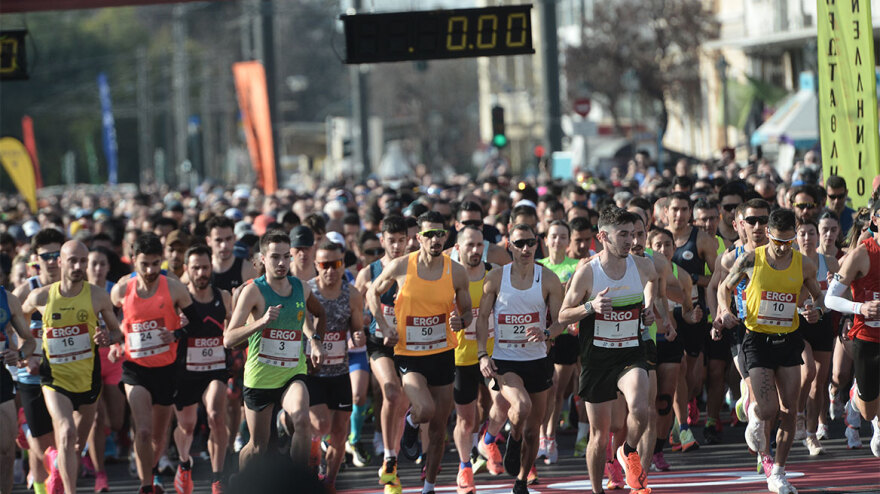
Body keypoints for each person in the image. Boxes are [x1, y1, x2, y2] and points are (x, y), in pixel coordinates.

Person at [717, 208, 826, 494]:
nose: (782, 248)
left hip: (788, 338)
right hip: (757, 339)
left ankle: (777, 472)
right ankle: (754, 412)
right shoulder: (751, 258)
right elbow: (724, 287)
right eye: (778, 242)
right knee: (768, 409)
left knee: (790, 411)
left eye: (788, 242)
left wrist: (815, 310)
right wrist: (725, 311)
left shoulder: (803, 264)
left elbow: (818, 296)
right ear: (768, 235)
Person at [559, 207, 666, 494]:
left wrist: (648, 307)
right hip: (597, 359)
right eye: (623, 235)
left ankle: (628, 450)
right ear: (603, 236)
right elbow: (562, 315)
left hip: (630, 353)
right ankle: (597, 490)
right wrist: (589, 307)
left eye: (632, 234)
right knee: (599, 434)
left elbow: (654, 278)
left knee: (641, 407)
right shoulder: (587, 273)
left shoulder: (641, 266)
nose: (630, 241)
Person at [368, 211, 472, 494]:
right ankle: (411, 423)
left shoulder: (456, 271)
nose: (435, 239)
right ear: (419, 238)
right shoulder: (403, 266)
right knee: (424, 409)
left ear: (446, 236)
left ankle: (429, 487)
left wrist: (461, 321)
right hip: (409, 355)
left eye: (439, 234)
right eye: (429, 234)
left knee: (439, 428)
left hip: (442, 353)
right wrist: (383, 325)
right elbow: (372, 293)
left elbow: (468, 314)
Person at [23, 241, 123, 494]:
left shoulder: (97, 296)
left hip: (88, 379)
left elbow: (116, 332)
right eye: (72, 261)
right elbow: (20, 320)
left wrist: (107, 339)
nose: (78, 266)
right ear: (60, 262)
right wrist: (30, 352)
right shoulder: (41, 297)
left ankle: (56, 465)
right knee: (66, 432)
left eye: (83, 261)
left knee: (76, 444)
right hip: (54, 379)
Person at [225, 230, 325, 471]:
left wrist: (315, 341)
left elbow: (320, 314)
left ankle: (296, 483)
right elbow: (229, 338)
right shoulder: (253, 291)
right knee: (258, 447)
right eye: (274, 257)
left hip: (292, 372)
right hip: (260, 378)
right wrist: (260, 322)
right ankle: (241, 485)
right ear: (262, 259)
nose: (281, 263)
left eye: (285, 257)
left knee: (301, 421)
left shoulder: (301, 287)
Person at [476, 223, 564, 494]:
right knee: (521, 406)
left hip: (537, 360)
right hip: (506, 360)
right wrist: (482, 354)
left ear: (537, 244)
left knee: (533, 430)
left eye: (530, 243)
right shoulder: (495, 278)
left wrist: (547, 333)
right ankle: (512, 437)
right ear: (509, 246)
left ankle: (522, 479)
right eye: (519, 243)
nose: (525, 248)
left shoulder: (548, 279)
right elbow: (481, 318)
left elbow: (560, 321)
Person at [111, 233, 198, 494]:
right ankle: (146, 486)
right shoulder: (121, 290)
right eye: (144, 264)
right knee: (144, 430)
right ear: (134, 260)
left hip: (166, 369)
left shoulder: (173, 287)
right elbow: (110, 319)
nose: (150, 270)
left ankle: (151, 471)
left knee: (159, 438)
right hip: (135, 369)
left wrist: (176, 334)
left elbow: (197, 321)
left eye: (155, 264)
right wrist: (116, 343)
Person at [354, 215, 410, 494]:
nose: (397, 246)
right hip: (379, 342)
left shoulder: (416, 268)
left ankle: (393, 459)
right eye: (392, 241)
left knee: (402, 407)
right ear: (382, 240)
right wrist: (358, 324)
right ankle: (389, 458)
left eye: (402, 240)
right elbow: (354, 305)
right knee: (390, 391)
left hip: (411, 344)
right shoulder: (369, 272)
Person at [450, 226, 507, 491]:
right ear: (458, 247)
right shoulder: (449, 277)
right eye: (469, 245)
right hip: (462, 357)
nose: (475, 251)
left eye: (479, 245)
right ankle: (464, 468)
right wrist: (450, 321)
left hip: (494, 352)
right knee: (466, 420)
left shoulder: (495, 274)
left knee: (505, 403)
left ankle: (488, 440)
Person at [172, 245, 232, 494]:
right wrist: (176, 325)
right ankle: (184, 464)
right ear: (187, 269)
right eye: (195, 268)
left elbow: (234, 331)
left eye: (205, 267)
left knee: (217, 416)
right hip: (186, 372)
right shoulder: (178, 298)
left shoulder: (224, 297)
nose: (201, 273)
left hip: (216, 369)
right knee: (186, 426)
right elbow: (167, 335)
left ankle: (218, 478)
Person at [306, 240, 365, 493]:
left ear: (343, 265)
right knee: (321, 425)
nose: (330, 270)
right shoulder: (307, 291)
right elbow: (302, 324)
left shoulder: (351, 294)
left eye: (336, 264)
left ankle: (329, 481)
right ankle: (313, 453)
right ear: (316, 266)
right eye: (324, 265)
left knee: (340, 434)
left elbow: (357, 328)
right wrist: (313, 340)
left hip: (340, 371)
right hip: (313, 372)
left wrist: (358, 335)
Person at [823, 199, 880, 457]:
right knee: (868, 408)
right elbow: (830, 299)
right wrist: (860, 308)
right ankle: (856, 398)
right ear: (875, 221)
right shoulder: (861, 254)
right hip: (867, 337)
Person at [13, 228, 66, 494]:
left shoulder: (74, 289)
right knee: (50, 449)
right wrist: (23, 355)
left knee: (64, 442)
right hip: (31, 376)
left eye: (58, 255)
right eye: (47, 256)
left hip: (65, 373)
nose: (53, 261)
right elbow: (9, 331)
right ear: (36, 258)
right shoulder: (24, 292)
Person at [666, 192, 718, 434]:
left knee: (694, 381)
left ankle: (690, 401)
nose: (679, 214)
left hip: (694, 313)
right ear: (665, 212)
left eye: (684, 209)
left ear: (690, 213)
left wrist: (692, 278)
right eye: (674, 209)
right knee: (677, 366)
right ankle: (679, 420)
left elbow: (719, 278)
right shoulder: (655, 239)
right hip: (666, 315)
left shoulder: (702, 239)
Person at [792, 218, 838, 456]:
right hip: (798, 322)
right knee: (807, 370)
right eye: (803, 234)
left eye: (811, 233)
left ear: (818, 237)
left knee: (819, 381)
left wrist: (833, 286)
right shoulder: (790, 262)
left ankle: (811, 435)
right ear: (795, 238)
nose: (808, 238)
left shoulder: (829, 262)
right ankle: (798, 415)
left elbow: (845, 293)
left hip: (822, 323)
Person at [536, 220, 578, 465]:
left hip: (567, 336)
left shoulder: (576, 266)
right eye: (553, 236)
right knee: (546, 388)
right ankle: (544, 437)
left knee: (558, 390)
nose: (557, 241)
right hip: (543, 336)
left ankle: (549, 435)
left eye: (563, 236)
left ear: (568, 240)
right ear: (546, 240)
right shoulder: (538, 267)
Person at [85, 247, 125, 493]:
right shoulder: (80, 292)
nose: (98, 269)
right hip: (87, 360)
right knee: (96, 418)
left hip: (113, 359)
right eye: (93, 264)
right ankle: (101, 474)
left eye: (102, 264)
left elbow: (127, 321)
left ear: (108, 267)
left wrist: (115, 339)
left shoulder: (115, 290)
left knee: (117, 421)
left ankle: (105, 439)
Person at [0, 288, 36, 494]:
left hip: (1, 376)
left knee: (6, 451)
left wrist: (19, 354)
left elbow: (29, 341)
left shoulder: (8, 300)